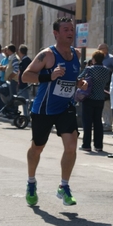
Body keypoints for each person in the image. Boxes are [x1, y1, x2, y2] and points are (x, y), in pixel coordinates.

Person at [22, 17, 87, 207]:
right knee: (37, 147)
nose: (70, 32)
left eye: (71, 29)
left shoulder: (76, 54)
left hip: (65, 108)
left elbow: (67, 80)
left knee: (71, 145)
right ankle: (31, 182)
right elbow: (26, 76)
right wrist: (48, 76)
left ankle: (64, 186)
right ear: (56, 33)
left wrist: (78, 84)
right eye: (65, 29)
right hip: (44, 109)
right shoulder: (47, 55)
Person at [78, 50, 110, 152]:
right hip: (100, 98)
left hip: (89, 98)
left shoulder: (89, 69)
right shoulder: (106, 70)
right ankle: (98, 145)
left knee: (87, 122)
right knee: (98, 122)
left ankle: (86, 144)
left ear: (94, 59)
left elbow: (79, 78)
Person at [98, 43, 113, 132]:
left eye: (101, 48)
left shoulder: (111, 58)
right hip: (101, 85)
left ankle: (109, 124)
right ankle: (105, 122)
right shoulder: (100, 58)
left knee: (107, 105)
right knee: (103, 106)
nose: (99, 50)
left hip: (108, 85)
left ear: (106, 49)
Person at [17, 44, 32, 116]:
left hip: (24, 84)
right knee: (23, 100)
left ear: (20, 52)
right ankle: (26, 114)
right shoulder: (23, 60)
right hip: (22, 83)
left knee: (25, 101)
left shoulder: (26, 61)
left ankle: (27, 116)